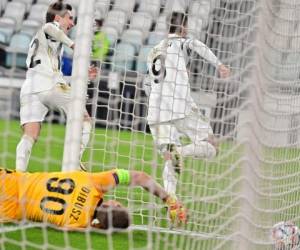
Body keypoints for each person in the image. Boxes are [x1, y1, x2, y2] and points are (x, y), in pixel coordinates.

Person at [145, 12, 230, 196]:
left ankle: (172, 202)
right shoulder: (182, 41)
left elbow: (147, 83)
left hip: (156, 112)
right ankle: (182, 152)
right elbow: (198, 45)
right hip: (180, 106)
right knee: (212, 145)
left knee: (169, 156)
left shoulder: (153, 51)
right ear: (184, 27)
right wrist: (220, 65)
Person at [16, 0, 97, 172]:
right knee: (85, 120)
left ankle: (19, 176)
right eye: (69, 18)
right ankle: (75, 160)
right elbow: (49, 28)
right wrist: (75, 45)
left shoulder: (46, 44)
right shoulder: (50, 28)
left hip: (30, 88)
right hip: (48, 85)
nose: (72, 23)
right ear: (58, 18)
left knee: (30, 135)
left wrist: (81, 74)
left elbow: (53, 71)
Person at [0, 167, 187, 229]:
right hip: (9, 210)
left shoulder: (96, 184)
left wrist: (169, 200)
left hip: (11, 180)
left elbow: (139, 177)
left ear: (114, 203)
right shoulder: (77, 223)